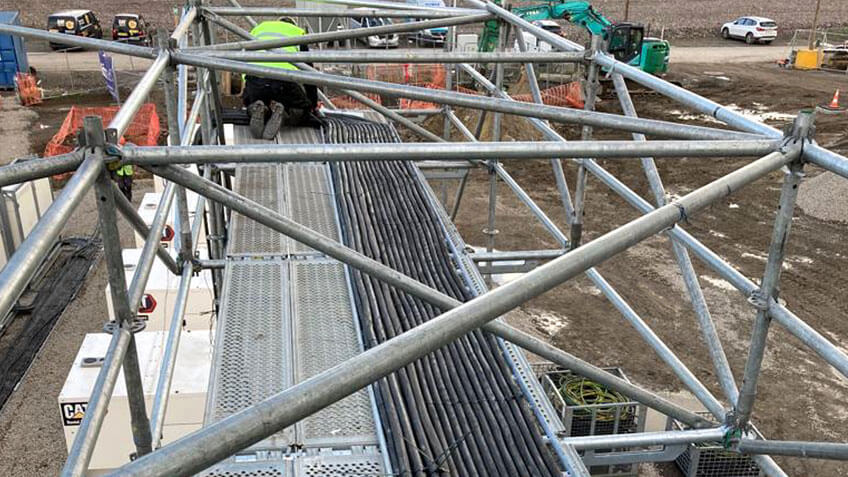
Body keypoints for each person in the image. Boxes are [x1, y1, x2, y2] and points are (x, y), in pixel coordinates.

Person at [243, 17, 319, 140]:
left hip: (256, 78)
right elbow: (309, 74)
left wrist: (249, 91)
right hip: (283, 81)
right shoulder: (298, 33)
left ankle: (255, 109)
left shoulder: (259, 29)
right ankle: (284, 114)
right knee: (302, 109)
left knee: (252, 102)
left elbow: (244, 61)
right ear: (293, 24)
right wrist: (312, 104)